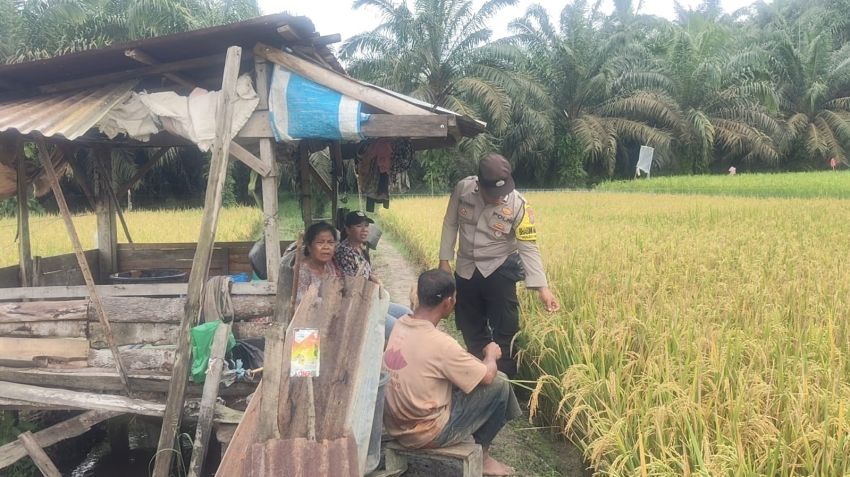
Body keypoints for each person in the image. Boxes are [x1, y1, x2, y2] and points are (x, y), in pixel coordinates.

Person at [382, 269, 521, 476]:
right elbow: (488, 376)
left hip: (395, 425)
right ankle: (483, 455)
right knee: (500, 383)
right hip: (424, 433)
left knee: (463, 375)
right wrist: (491, 356)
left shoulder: (400, 323)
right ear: (448, 303)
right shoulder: (442, 344)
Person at [439, 153, 559, 377]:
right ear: (479, 184)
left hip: (499, 268)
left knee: (506, 330)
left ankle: (504, 384)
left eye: (503, 193)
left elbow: (528, 246)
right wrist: (444, 261)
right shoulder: (463, 189)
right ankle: (476, 374)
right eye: (494, 194)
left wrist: (543, 288)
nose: (500, 198)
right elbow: (450, 223)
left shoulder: (519, 205)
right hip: (466, 268)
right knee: (469, 325)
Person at [334, 210, 413, 341]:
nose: (364, 230)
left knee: (408, 315)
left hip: (372, 299)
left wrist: (373, 278)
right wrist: (375, 283)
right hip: (360, 306)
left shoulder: (360, 248)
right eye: (359, 226)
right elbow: (354, 287)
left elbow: (368, 274)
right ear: (348, 230)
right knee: (399, 330)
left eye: (366, 225)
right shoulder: (344, 253)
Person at [292, 221, 341, 309]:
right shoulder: (302, 271)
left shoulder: (329, 267)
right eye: (320, 243)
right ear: (309, 247)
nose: (326, 247)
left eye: (330, 243)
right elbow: (301, 305)